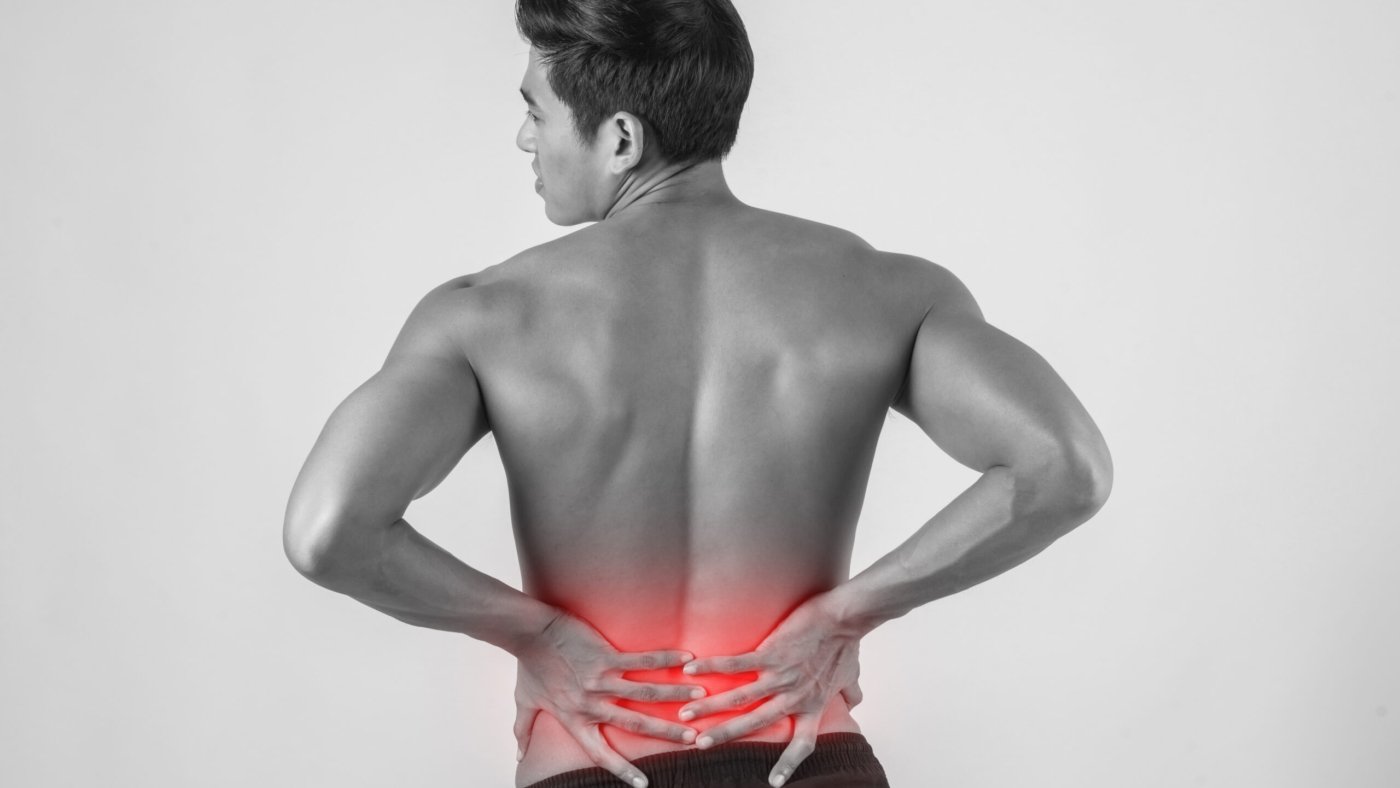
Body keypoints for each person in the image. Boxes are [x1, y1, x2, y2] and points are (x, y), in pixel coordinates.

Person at [282, 1, 1114, 786]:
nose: (524, 138)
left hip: (594, 766)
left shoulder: (487, 315)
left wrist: (534, 635)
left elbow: (328, 530)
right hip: (811, 763)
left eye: (536, 112)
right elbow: (1062, 467)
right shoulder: (885, 290)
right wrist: (847, 615)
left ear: (620, 138)